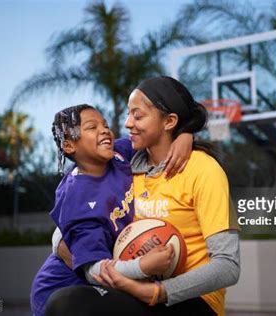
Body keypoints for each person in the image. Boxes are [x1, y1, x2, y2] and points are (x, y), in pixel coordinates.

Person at [47, 76, 240, 316]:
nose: (127, 123)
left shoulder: (203, 170)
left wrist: (158, 292)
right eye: (128, 114)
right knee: (65, 302)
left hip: (190, 299)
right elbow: (78, 212)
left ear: (169, 121)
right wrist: (61, 243)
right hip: (136, 287)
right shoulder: (123, 165)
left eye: (137, 116)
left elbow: (228, 266)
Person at [30, 104, 193, 316]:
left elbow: (154, 137)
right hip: (65, 290)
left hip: (107, 285)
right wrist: (142, 266)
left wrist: (184, 136)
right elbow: (94, 271)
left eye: (105, 124)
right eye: (92, 127)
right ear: (69, 146)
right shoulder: (77, 196)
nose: (104, 130)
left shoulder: (118, 154)